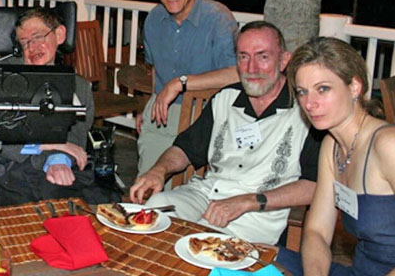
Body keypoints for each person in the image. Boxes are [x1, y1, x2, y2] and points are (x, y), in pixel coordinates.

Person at [129, 21, 322, 244]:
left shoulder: (304, 112)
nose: (251, 68)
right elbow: (185, 148)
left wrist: (249, 201)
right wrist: (158, 170)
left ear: (283, 60)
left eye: (263, 57)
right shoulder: (226, 98)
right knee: (155, 209)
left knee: (199, 243)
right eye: (243, 56)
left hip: (257, 214)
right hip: (206, 194)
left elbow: (314, 185)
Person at [277, 37, 395, 275]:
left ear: (355, 86)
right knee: (257, 255)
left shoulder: (393, 146)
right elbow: (317, 232)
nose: (310, 103)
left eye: (323, 89)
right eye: (303, 92)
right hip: (361, 270)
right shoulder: (331, 146)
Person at [0, 8, 111, 205]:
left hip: (54, 168)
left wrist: (58, 159)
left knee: (91, 203)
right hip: (12, 168)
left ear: (60, 35)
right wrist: (53, 144)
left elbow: (75, 136)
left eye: (37, 37)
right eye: (25, 43)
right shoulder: (7, 79)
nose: (32, 47)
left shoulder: (79, 86)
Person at [137, 0, 240, 177]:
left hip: (204, 116)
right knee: (146, 188)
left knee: (190, 199)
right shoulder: (154, 19)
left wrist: (181, 83)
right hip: (162, 116)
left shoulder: (218, 19)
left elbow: (237, 73)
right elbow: (154, 70)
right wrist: (148, 104)